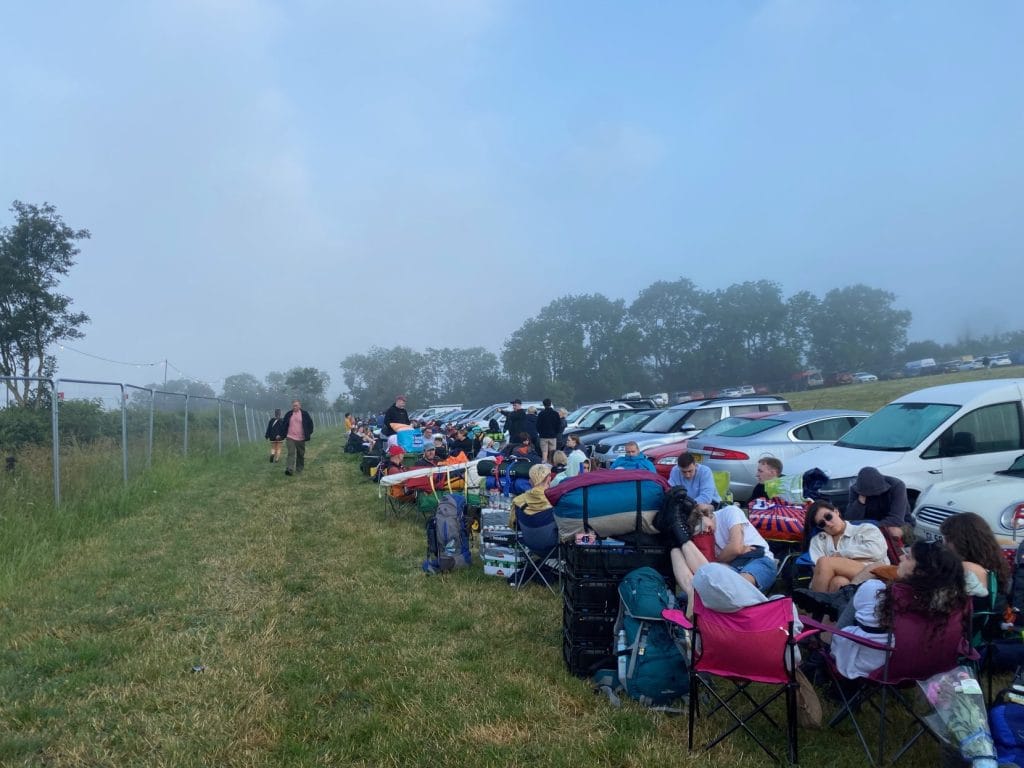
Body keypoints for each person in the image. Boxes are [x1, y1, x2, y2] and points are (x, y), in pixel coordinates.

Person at [829, 540, 968, 679]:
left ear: (919, 572)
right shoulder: (956, 608)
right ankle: (837, 597)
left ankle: (834, 603)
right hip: (928, 673)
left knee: (853, 600)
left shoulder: (880, 592)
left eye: (908, 557)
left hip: (872, 670)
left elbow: (843, 630)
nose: (901, 558)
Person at [805, 501, 888, 593]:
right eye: (822, 524)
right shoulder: (819, 540)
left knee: (825, 562)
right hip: (844, 580)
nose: (827, 523)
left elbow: (877, 551)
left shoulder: (865, 529)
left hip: (873, 572)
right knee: (839, 582)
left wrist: (842, 554)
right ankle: (828, 606)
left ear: (836, 512)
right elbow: (819, 571)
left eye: (828, 517)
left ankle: (813, 604)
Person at [939, 512, 1010, 600]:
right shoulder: (995, 561)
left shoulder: (966, 568)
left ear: (962, 541)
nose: (944, 544)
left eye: (947, 539)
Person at [845, 466, 911, 538]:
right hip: (870, 523)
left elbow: (896, 519)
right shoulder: (856, 489)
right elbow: (850, 518)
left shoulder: (897, 486)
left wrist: (870, 527)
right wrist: (860, 502)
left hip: (900, 524)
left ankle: (900, 546)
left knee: (893, 531)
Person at [510, 463, 553, 528]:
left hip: (526, 536)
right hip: (551, 536)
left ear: (530, 481)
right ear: (549, 479)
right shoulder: (555, 502)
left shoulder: (517, 501)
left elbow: (513, 525)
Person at [284, 399, 314, 476]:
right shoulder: (289, 414)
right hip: (290, 437)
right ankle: (289, 469)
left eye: (296, 405)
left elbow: (310, 424)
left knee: (300, 454)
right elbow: (284, 424)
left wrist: (308, 433)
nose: (295, 407)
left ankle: (299, 468)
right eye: (293, 405)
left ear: (300, 406)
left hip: (301, 438)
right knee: (291, 453)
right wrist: (282, 434)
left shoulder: (305, 414)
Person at [537, 398, 562, 462]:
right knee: (552, 453)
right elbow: (559, 425)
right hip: (553, 436)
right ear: (550, 404)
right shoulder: (555, 413)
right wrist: (556, 433)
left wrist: (540, 433)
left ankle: (544, 466)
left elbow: (538, 425)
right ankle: (552, 465)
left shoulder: (541, 414)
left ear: (543, 405)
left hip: (543, 436)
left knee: (544, 452)